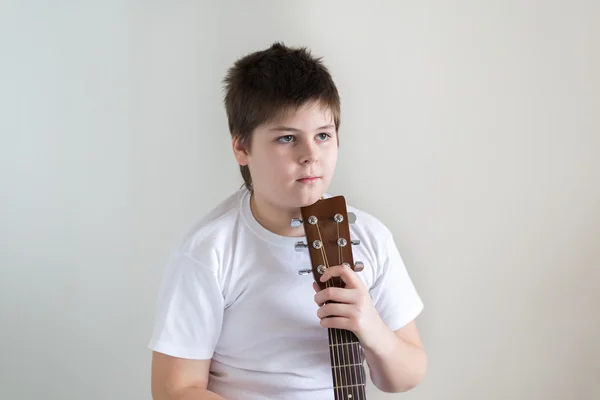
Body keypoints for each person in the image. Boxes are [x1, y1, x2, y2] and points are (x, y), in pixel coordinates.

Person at [148, 42, 427, 400]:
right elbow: (174, 389)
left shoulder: (370, 236)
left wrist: (369, 324)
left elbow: (405, 377)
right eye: (287, 138)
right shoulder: (210, 250)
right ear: (242, 148)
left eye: (323, 135)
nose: (310, 156)